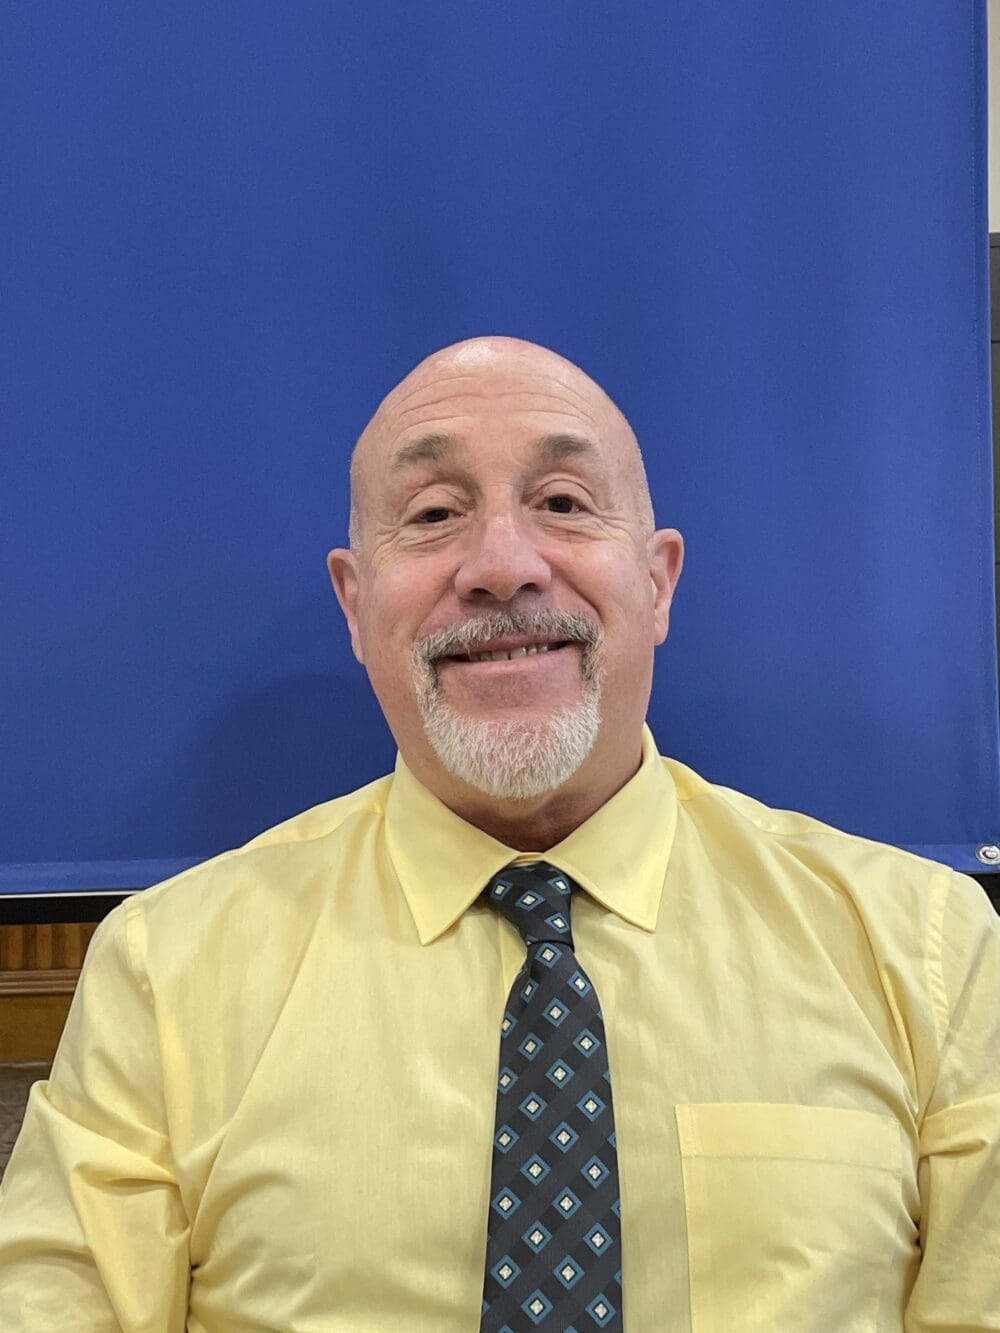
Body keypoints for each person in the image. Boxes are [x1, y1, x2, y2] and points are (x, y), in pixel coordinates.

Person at [0, 335, 998, 1331]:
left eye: (562, 503)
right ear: (354, 605)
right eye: (434, 514)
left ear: (658, 582)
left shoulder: (929, 951)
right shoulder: (166, 971)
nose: (502, 566)